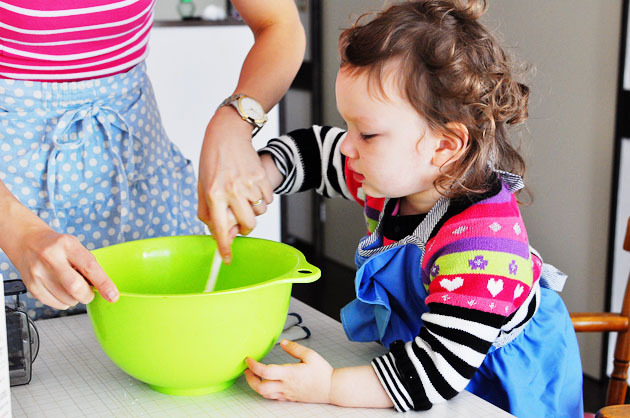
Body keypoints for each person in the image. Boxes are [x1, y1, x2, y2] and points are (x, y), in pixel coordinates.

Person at [243, 1, 583, 416]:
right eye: (349, 125)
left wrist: (329, 385)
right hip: (426, 359)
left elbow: (432, 373)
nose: (348, 145)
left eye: (366, 133)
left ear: (444, 145)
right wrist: (260, 172)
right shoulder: (396, 174)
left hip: (497, 383)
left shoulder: (483, 244)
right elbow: (318, 152)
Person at [0, 0, 305, 319]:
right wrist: (16, 231)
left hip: (145, 192)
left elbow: (279, 24)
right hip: (10, 209)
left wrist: (234, 121)